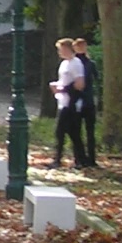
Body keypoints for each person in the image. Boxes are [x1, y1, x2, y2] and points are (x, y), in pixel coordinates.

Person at [53, 37, 95, 170]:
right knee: (71, 132)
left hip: (72, 102)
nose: (59, 52)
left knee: (64, 131)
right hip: (63, 101)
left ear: (67, 49)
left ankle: (61, 159)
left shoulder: (76, 63)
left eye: (61, 49)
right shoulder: (64, 63)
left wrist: (64, 89)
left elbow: (80, 84)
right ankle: (79, 159)